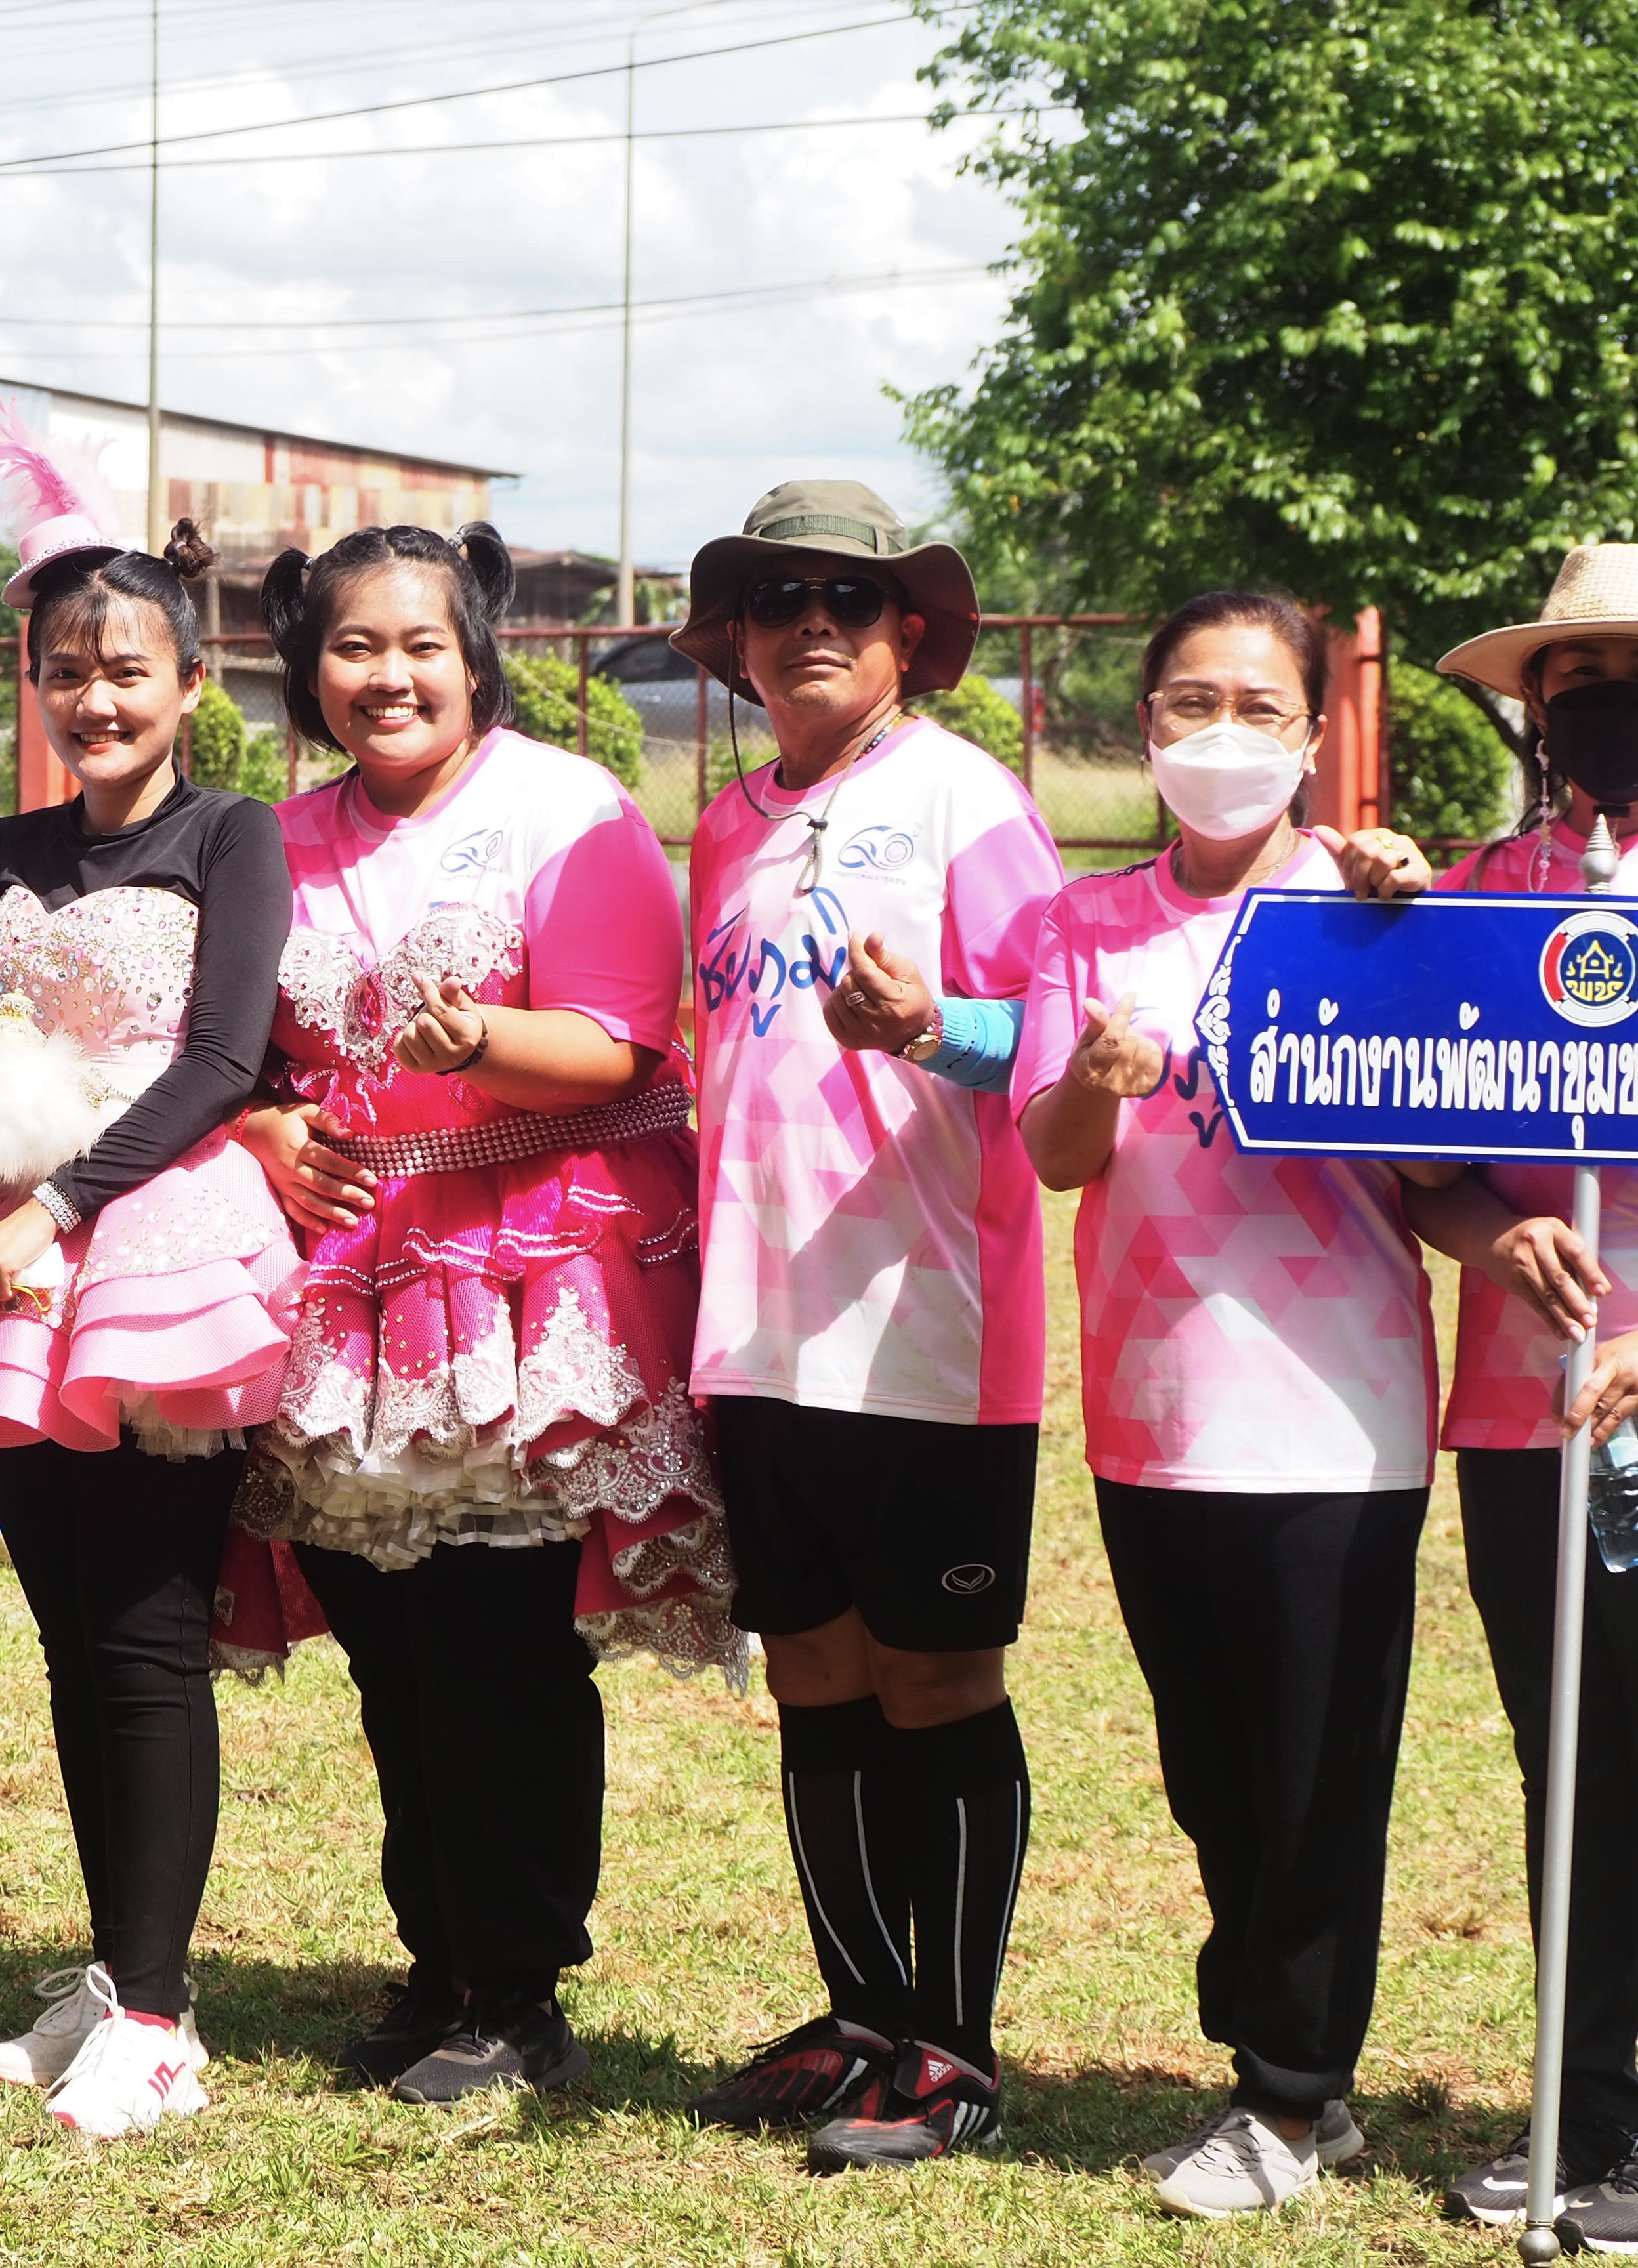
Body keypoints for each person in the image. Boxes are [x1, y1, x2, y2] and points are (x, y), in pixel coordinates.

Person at [0, 430, 299, 2135]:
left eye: (129, 670)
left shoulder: (235, 836)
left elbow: (227, 1054)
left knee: (152, 1633)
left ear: (188, 681)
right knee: (75, 1637)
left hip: (147, 1242)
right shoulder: (10, 846)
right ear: (36, 681)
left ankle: (161, 2016)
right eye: (70, 672)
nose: (98, 699)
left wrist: (69, 1207)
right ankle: (113, 1970)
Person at [219, 520, 739, 2107]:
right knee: (386, 1641)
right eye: (353, 648)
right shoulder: (272, 837)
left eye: (419, 645)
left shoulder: (568, 811)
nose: (387, 677)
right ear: (309, 668)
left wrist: (481, 1044)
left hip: (525, 1262)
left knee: (502, 1650)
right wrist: (259, 1130)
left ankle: (518, 1987)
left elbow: (628, 1051)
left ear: (477, 652)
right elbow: (233, 1055)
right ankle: (435, 1953)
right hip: (341, 1278)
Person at [1012, 592, 1441, 2219]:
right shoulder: (1085, 923)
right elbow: (1057, 1159)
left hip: (1338, 1409)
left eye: (1263, 708)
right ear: (1144, 727)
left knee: (1318, 1763)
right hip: (1152, 1402)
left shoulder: (1372, 904)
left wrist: (1413, 909)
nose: (1225, 735)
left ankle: (1288, 2090)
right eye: (1194, 702)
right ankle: (1282, 2059)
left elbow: (1456, 1132)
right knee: (1210, 1766)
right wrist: (1088, 1087)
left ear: (1318, 735)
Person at [673, 480, 1057, 2170]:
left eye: (850, 593)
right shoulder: (721, 825)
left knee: (937, 1677)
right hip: (757, 1330)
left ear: (911, 630)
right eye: (776, 597)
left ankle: (955, 2053)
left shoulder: (970, 799)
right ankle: (859, 2015)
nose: (809, 621)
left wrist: (936, 1027)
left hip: (931, 1332)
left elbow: (1060, 1047)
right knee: (818, 1672)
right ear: (739, 641)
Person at [1402, 544, 1638, 2252]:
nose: (1607, 701)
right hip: (1522, 1418)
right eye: (1574, 672)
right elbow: (1422, 1167)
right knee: (1566, 1768)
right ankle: (1577, 2112)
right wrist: (1498, 1232)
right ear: (1534, 702)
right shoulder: (1481, 889)